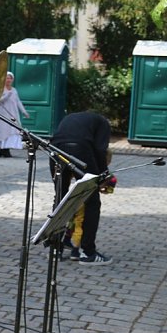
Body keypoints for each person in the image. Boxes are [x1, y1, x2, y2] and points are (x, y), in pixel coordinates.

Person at [49, 111, 113, 266]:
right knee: (92, 202)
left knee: (61, 199)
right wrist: (103, 175)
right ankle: (87, 252)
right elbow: (100, 150)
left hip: (55, 149)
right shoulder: (103, 122)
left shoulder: (71, 118)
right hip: (81, 149)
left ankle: (55, 249)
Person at [0, 71, 29, 157]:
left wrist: (24, 111)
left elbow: (18, 101)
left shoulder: (14, 90)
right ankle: (3, 150)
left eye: (10, 78)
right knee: (3, 131)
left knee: (12, 131)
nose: (8, 80)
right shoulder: (0, 89)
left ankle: (7, 148)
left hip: (12, 113)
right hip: (2, 113)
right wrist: (7, 95)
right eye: (7, 78)